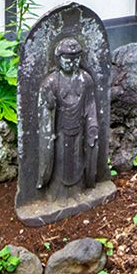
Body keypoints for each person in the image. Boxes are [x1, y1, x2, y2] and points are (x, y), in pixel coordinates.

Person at [37, 37, 99, 202]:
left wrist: (92, 126)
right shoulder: (51, 82)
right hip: (60, 131)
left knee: (77, 159)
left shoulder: (86, 79)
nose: (72, 63)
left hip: (79, 129)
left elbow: (90, 105)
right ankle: (59, 194)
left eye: (76, 59)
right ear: (58, 59)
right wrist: (49, 106)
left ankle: (77, 191)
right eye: (68, 59)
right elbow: (44, 111)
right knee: (60, 161)